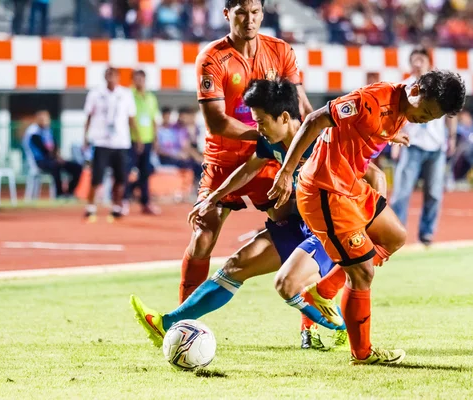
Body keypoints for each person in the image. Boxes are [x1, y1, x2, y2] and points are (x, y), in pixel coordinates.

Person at [131, 79, 348, 350]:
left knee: (292, 286)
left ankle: (343, 328)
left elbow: (367, 175)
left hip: (328, 229)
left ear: (283, 117)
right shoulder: (274, 140)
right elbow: (248, 169)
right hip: (298, 222)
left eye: (261, 121)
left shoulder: (322, 140)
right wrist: (212, 197)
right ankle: (166, 324)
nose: (257, 130)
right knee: (235, 266)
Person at [269, 71, 466, 365]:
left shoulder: (403, 109)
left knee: (394, 236)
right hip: (325, 190)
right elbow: (313, 121)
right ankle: (362, 353)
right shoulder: (369, 102)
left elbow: (374, 129)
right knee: (362, 273)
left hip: (350, 187)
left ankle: (322, 292)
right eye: (424, 112)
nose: (424, 120)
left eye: (432, 118)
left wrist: (390, 134)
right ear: (415, 90)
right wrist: (286, 172)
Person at [177, 0, 313, 304]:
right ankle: (183, 321)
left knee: (300, 232)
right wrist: (268, 134)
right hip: (223, 162)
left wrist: (305, 141)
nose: (249, 20)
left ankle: (311, 325)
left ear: (263, 14)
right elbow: (217, 122)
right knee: (202, 240)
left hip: (269, 163)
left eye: (255, 13)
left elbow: (300, 105)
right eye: (241, 13)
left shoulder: (281, 51)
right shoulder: (212, 58)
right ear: (227, 14)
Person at [390, 47, 458, 246]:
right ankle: (396, 233)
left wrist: (451, 138)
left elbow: (450, 114)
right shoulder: (403, 87)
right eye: (414, 60)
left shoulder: (441, 87)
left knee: (434, 193)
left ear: (429, 63)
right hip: (411, 145)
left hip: (436, 146)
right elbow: (396, 116)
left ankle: (427, 233)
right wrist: (394, 141)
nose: (417, 63)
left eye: (421, 59)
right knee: (401, 192)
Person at [83, 67, 140, 222]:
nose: (111, 78)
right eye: (108, 75)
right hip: (101, 140)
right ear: (104, 77)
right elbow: (88, 116)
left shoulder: (126, 94)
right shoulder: (95, 94)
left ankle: (116, 206)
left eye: (114, 75)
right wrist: (85, 138)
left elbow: (131, 118)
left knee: (120, 177)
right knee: (97, 176)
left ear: (119, 77)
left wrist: (138, 137)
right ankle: (90, 206)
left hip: (121, 141)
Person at [123, 70, 160, 216]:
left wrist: (155, 139)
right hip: (131, 140)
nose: (139, 81)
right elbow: (129, 119)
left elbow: (153, 119)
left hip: (148, 140)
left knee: (146, 172)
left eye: (141, 79)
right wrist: (137, 138)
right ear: (133, 80)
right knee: (127, 171)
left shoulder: (151, 97)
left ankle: (145, 203)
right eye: (136, 79)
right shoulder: (128, 95)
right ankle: (123, 201)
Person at [23, 110, 82, 199]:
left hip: (53, 159)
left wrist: (58, 156)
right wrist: (55, 157)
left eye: (47, 119)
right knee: (56, 166)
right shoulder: (33, 133)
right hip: (40, 161)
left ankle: (70, 192)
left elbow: (55, 146)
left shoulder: (48, 131)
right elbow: (43, 150)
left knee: (77, 167)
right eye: (43, 119)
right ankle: (59, 194)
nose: (46, 121)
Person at [156, 106, 204, 200]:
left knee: (198, 164)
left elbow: (189, 146)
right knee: (194, 164)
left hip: (184, 155)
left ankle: (197, 189)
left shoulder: (191, 129)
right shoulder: (172, 129)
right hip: (171, 157)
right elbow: (183, 147)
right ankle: (193, 190)